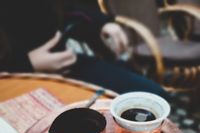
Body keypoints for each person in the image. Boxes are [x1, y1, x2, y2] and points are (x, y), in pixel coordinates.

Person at [0, 0, 169, 99]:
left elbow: (70, 9)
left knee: (152, 95)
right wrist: (27, 64)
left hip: (67, 65)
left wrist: (102, 24)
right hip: (13, 81)